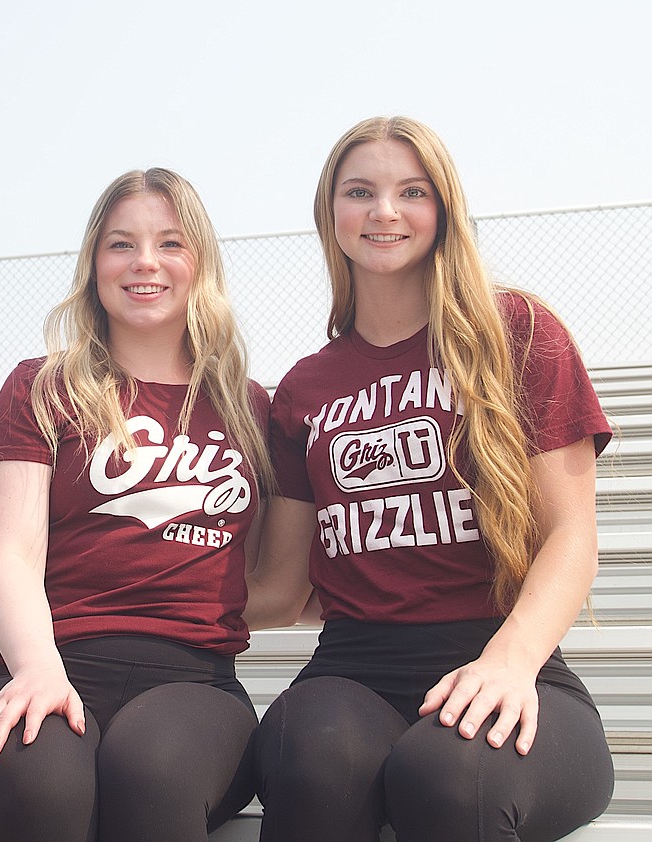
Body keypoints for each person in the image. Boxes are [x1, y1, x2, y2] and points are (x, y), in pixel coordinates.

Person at [245, 116, 615, 841]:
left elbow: (573, 537)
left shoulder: (519, 332)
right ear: (332, 214)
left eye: (410, 191)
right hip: (351, 667)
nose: (384, 211)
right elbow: (284, 588)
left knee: (448, 778)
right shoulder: (305, 388)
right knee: (307, 760)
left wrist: (508, 664)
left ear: (443, 210)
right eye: (361, 191)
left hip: (511, 660)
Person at [0, 167, 275, 842]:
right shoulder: (41, 388)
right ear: (94, 264)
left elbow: (270, 573)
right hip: (45, 657)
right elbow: (11, 556)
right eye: (121, 244)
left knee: (154, 771)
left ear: (201, 265)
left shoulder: (250, 409)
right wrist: (38, 669)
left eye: (170, 243)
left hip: (195, 685)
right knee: (42, 778)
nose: (144, 263)